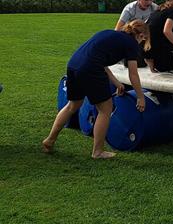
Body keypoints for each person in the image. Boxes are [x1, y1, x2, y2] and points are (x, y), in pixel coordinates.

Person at [42, 21, 150, 159]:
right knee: (105, 109)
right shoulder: (131, 44)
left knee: (72, 105)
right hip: (90, 69)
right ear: (141, 35)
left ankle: (49, 140)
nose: (142, 42)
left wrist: (117, 83)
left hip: (74, 65)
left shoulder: (110, 33)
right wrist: (140, 96)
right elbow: (133, 74)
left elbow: (101, 61)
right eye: (143, 39)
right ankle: (98, 152)